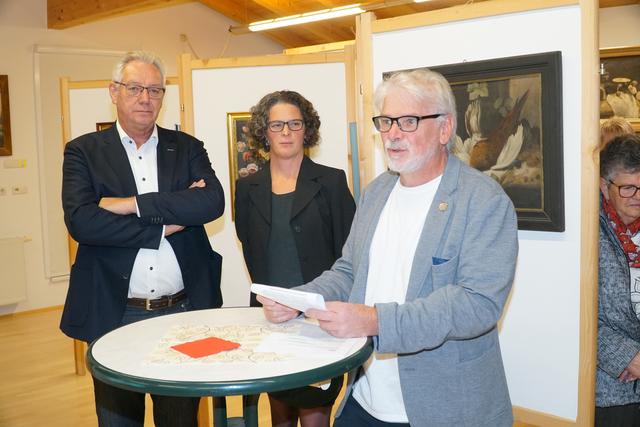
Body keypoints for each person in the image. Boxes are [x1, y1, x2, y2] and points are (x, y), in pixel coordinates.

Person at [259, 69, 518, 427]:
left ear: (445, 129)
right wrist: (300, 301)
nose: (392, 134)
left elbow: (477, 304)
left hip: (443, 407)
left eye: (408, 121)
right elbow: (349, 271)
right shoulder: (377, 192)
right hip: (365, 399)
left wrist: (376, 321)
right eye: (385, 121)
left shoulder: (484, 201)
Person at [60, 50, 225, 426]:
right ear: (113, 92)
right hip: (116, 313)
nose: (145, 98)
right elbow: (83, 222)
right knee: (119, 419)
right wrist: (163, 225)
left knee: (180, 418)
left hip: (182, 310)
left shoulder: (186, 147)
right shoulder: (84, 151)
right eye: (135, 88)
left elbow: (211, 202)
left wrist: (128, 204)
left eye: (155, 90)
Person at [234, 90, 356, 427]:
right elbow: (250, 245)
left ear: (307, 130)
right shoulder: (247, 188)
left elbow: (350, 252)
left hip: (319, 319)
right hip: (270, 317)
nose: (286, 132)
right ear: (264, 132)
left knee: (315, 414)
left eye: (294, 124)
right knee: (280, 415)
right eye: (277, 125)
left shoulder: (331, 182)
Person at [596, 134, 640, 427]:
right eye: (628, 188)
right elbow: (573, 316)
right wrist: (627, 356)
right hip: (613, 390)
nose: (638, 195)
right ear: (604, 185)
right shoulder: (587, 234)